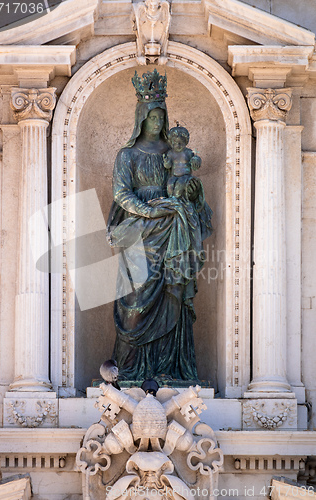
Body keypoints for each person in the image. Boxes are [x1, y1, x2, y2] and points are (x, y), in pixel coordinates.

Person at [106, 69, 212, 383]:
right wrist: (146, 211)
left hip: (172, 226)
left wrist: (191, 192)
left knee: (173, 292)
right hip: (140, 230)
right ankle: (129, 371)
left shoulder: (174, 154)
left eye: (160, 117)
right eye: (152, 117)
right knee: (135, 300)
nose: (157, 122)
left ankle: (169, 369)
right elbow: (121, 192)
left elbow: (186, 187)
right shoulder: (127, 155)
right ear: (142, 118)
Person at [163, 126, 202, 200]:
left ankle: (175, 199)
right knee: (170, 184)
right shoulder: (170, 153)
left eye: (181, 143)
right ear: (171, 142)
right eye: (176, 143)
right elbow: (168, 166)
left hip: (186, 176)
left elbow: (194, 165)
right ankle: (171, 198)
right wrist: (166, 162)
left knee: (180, 184)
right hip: (174, 176)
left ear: (185, 142)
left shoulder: (188, 152)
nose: (178, 145)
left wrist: (196, 160)